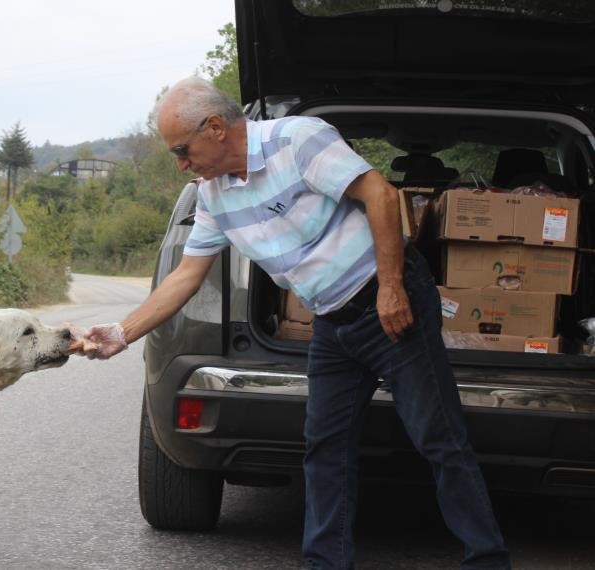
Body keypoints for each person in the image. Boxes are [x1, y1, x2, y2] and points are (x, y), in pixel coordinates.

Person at [78, 76, 510, 570]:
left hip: (389, 304)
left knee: (438, 438)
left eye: (182, 149)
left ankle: (488, 559)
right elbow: (186, 277)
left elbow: (382, 196)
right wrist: (120, 334)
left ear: (216, 128)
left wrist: (392, 287)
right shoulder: (214, 195)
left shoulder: (296, 140)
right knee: (324, 449)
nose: (180, 165)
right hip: (332, 322)